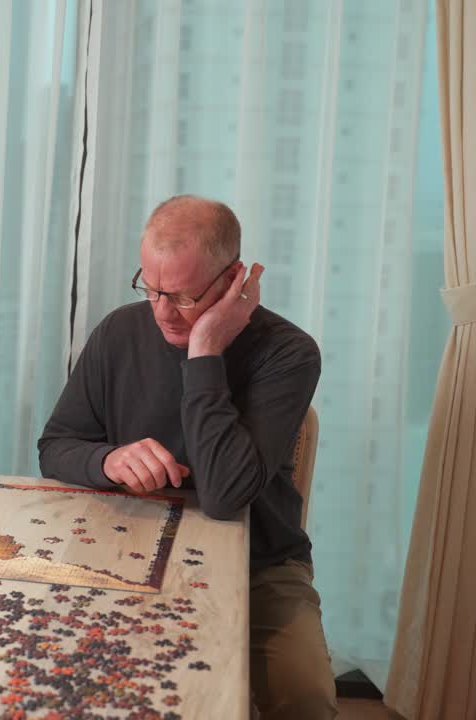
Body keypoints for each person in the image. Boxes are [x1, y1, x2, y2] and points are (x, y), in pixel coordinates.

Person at [38, 195, 336, 719]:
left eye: (182, 296)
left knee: (305, 696)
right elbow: (56, 446)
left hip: (259, 564)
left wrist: (204, 351)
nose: (161, 311)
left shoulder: (289, 353)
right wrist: (108, 461)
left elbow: (224, 497)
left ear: (233, 281)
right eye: (150, 289)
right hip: (122, 555)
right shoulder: (117, 332)